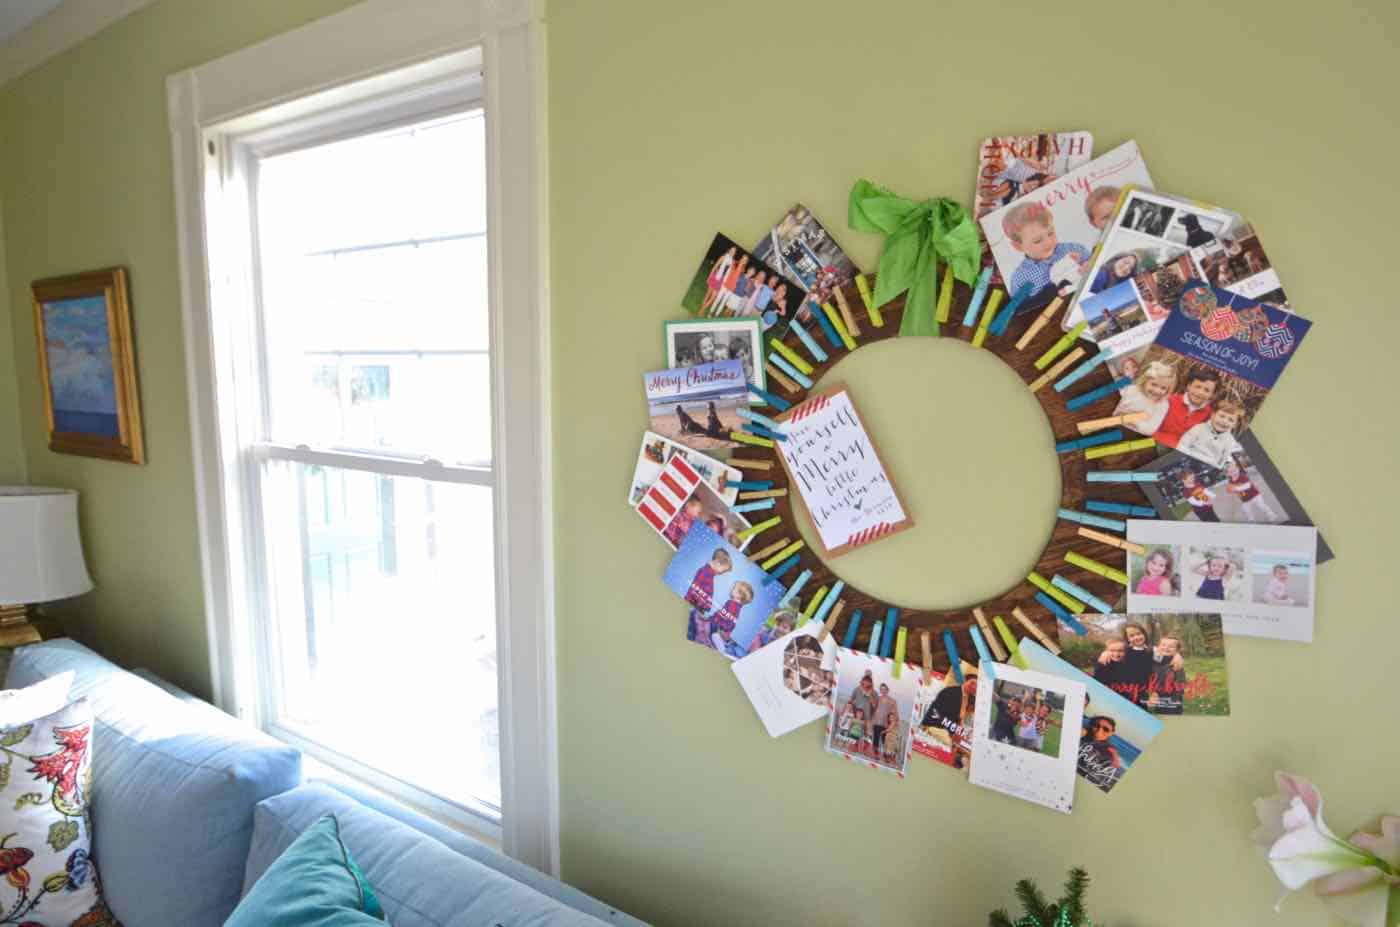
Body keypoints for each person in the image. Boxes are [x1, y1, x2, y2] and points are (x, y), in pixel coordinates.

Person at [1002, 202, 1091, 298]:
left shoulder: (1072, 249)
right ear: (1018, 246)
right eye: (1037, 240)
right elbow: (1019, 308)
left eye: (1050, 233)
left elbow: (1097, 262)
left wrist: (1087, 265)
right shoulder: (1020, 278)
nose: (1048, 242)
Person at [921, 670, 977, 769]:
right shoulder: (951, 692)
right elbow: (937, 715)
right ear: (965, 680)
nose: (974, 687)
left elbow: (963, 719)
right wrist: (955, 731)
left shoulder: (970, 699)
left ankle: (959, 760)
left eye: (977, 686)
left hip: (952, 730)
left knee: (969, 749)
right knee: (948, 743)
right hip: (935, 725)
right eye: (972, 683)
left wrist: (960, 733)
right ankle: (953, 760)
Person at [1153, 369, 1220, 448]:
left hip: (1178, 451)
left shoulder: (1210, 415)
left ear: (1212, 395)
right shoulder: (1170, 400)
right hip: (1154, 440)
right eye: (1197, 387)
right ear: (1189, 386)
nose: (1200, 392)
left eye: (1207, 390)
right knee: (1136, 446)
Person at [1115, 360, 1177, 436]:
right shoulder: (1131, 390)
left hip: (1134, 434)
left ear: (1168, 390)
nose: (1157, 390)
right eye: (1154, 384)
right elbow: (1116, 410)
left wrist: (1131, 419)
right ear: (1145, 381)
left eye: (1163, 388)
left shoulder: (1163, 405)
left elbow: (1150, 430)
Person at [1178, 400, 1245, 469]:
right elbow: (1182, 445)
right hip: (1189, 460)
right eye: (1222, 416)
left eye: (1230, 420)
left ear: (1235, 425)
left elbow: (1222, 461)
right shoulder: (1199, 428)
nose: (1225, 421)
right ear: (1213, 415)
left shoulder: (1229, 440)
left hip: (1208, 466)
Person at [708, 581, 754, 657]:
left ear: (739, 595)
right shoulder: (736, 605)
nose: (731, 589)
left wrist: (718, 623)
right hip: (723, 628)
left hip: (721, 629)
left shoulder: (732, 604)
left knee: (714, 636)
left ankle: (723, 650)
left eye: (733, 588)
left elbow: (727, 618)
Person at [1079, 715, 1124, 790]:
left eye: (1106, 729)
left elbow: (1116, 763)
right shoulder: (1084, 734)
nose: (1099, 731)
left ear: (1111, 733)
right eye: (1096, 726)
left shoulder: (1108, 748)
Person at [1149, 636, 1186, 715]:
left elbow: (1181, 683)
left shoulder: (1177, 664)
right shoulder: (1155, 662)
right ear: (1158, 647)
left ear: (1177, 650)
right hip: (1158, 699)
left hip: (1172, 700)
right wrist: (1153, 692)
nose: (1166, 648)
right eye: (1163, 645)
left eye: (1171, 646)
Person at [701, 246, 737, 314]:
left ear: (735, 253)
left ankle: (702, 309)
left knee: (713, 297)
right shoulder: (723, 257)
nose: (732, 252)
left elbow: (732, 273)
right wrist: (710, 275)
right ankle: (702, 308)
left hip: (721, 281)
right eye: (731, 250)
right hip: (715, 277)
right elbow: (716, 265)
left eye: (734, 251)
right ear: (729, 250)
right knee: (708, 294)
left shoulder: (732, 262)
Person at [871, 683, 899, 764]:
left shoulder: (892, 701)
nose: (883, 691)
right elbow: (873, 706)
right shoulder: (878, 698)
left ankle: (887, 757)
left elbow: (895, 713)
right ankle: (876, 755)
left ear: (887, 690)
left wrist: (896, 723)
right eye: (881, 689)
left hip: (885, 724)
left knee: (885, 742)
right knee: (875, 740)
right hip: (876, 722)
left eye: (884, 689)